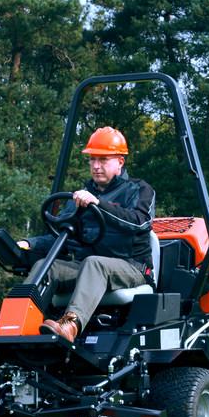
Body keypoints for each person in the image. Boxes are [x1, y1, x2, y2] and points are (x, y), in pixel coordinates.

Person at [20, 126, 155, 343]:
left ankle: (69, 325)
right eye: (92, 160)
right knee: (46, 267)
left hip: (131, 267)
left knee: (94, 263)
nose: (95, 166)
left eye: (103, 160)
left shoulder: (139, 190)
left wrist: (99, 204)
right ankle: (17, 323)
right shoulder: (81, 197)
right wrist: (28, 244)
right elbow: (61, 235)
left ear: (120, 162)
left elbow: (139, 223)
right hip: (87, 269)